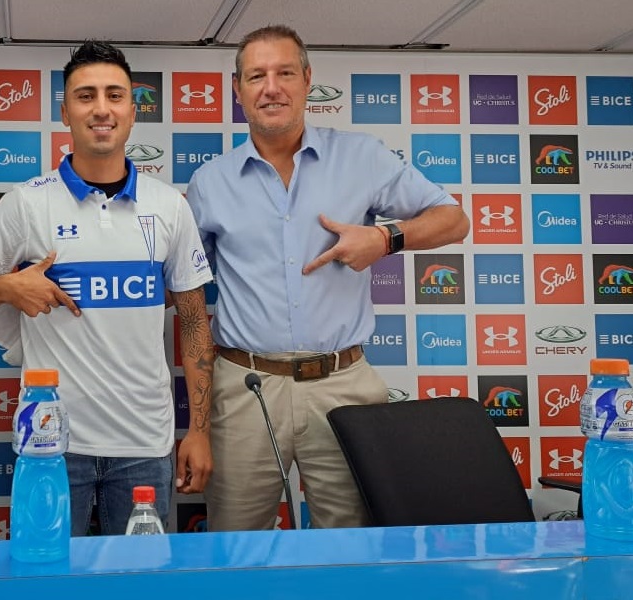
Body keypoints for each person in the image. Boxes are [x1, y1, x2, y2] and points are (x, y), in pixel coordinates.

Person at [186, 25, 470, 531]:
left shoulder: (361, 156)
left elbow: (453, 218)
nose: (271, 87)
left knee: (353, 542)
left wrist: (385, 239)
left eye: (284, 73)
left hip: (344, 385)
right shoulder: (209, 183)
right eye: (256, 76)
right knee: (235, 543)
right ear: (238, 90)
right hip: (246, 387)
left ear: (307, 80)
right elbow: (182, 293)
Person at [0, 40, 215, 535]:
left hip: (144, 446)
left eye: (114, 95)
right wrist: (7, 288)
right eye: (86, 96)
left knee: (139, 586)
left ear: (133, 109)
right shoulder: (26, 203)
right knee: (45, 580)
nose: (101, 108)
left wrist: (200, 431)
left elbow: (193, 322)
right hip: (50, 445)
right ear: (64, 112)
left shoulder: (169, 205)